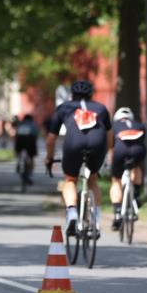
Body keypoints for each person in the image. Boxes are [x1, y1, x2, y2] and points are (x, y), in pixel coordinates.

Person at [44, 80, 112, 237]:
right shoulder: (101, 108)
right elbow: (109, 136)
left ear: (71, 95)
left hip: (73, 144)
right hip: (98, 144)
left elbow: (51, 139)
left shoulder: (64, 108)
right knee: (93, 179)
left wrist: (49, 158)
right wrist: (105, 153)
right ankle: (95, 220)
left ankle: (73, 214)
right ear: (91, 94)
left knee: (70, 179)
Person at [109, 107, 147, 231]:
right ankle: (136, 194)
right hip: (138, 151)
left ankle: (117, 211)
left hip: (120, 150)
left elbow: (111, 145)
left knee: (116, 180)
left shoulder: (114, 126)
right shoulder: (139, 125)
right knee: (136, 166)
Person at [13, 114, 40, 183]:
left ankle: (18, 162)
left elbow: (16, 134)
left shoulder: (20, 123)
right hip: (30, 140)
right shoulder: (33, 124)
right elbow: (36, 134)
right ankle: (30, 170)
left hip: (20, 140)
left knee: (19, 152)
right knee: (31, 156)